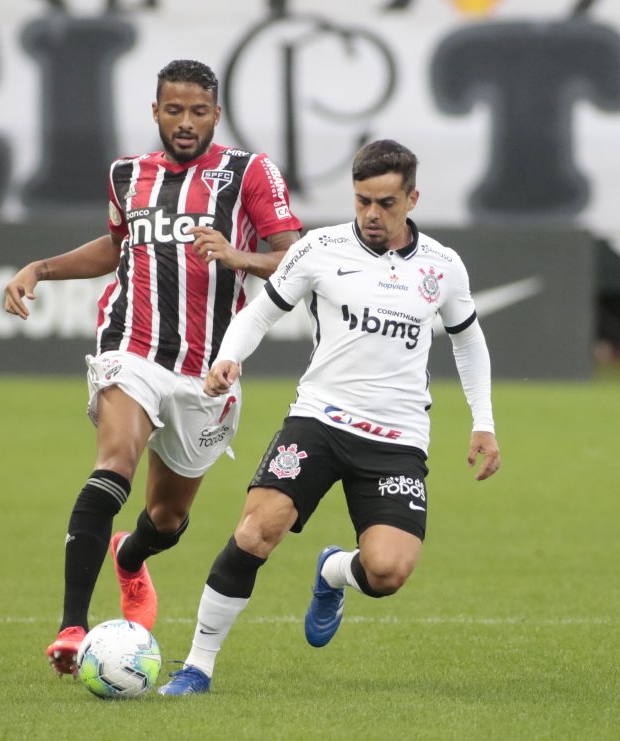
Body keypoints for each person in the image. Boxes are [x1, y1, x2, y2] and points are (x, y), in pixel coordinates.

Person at [157, 139, 501, 696]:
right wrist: (228, 358)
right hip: (319, 421)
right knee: (254, 531)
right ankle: (197, 666)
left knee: (387, 572)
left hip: (396, 438)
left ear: (412, 198)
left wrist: (482, 422)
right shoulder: (319, 248)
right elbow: (261, 311)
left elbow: (469, 343)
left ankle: (333, 571)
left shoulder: (442, 266)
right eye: (362, 199)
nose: (371, 213)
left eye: (386, 202)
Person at [3, 59, 302, 676]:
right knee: (113, 462)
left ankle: (132, 558)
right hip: (131, 348)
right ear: (155, 111)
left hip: (208, 370)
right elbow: (117, 247)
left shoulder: (248, 173)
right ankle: (71, 626)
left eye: (198, 111)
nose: (185, 122)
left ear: (216, 114)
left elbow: (295, 259)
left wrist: (236, 254)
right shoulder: (126, 175)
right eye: (173, 110)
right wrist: (41, 268)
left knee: (166, 518)